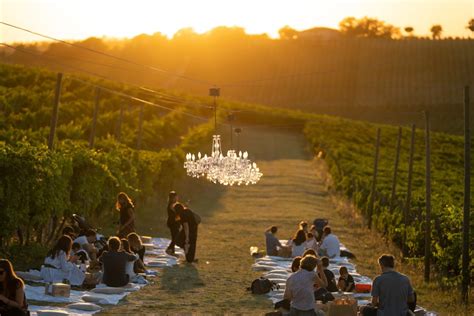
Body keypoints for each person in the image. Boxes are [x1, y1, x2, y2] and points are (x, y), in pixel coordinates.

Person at [166, 191, 180, 255]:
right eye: (176, 197)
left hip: (175, 222)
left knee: (175, 236)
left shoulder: (174, 204)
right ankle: (169, 248)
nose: (177, 198)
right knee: (176, 237)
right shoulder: (172, 205)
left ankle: (172, 250)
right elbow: (177, 213)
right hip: (173, 223)